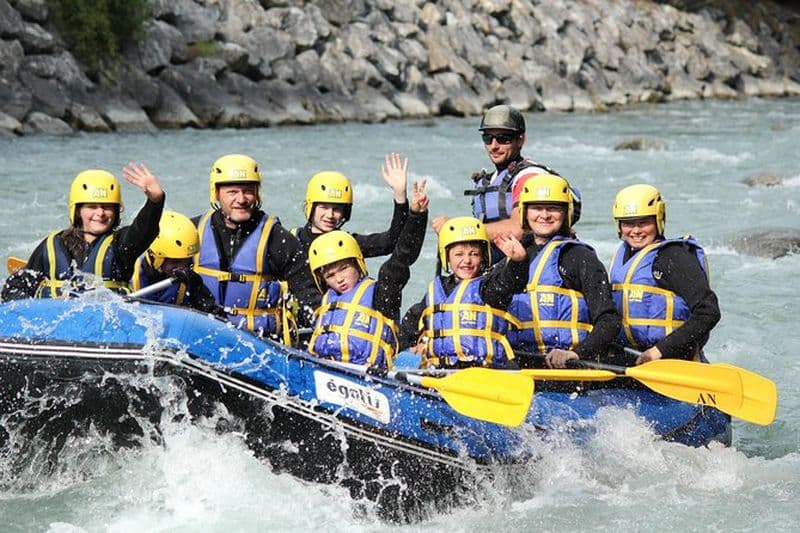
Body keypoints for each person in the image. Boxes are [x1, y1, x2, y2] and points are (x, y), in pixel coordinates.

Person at [193, 153, 320, 340]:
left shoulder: (278, 239)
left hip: (257, 342)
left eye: (248, 191)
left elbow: (308, 296)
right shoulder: (193, 231)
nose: (241, 199)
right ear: (216, 193)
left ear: (257, 193)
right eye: (232, 192)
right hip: (202, 333)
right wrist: (156, 202)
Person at [431, 104, 577, 263]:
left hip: (529, 263)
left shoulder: (528, 177)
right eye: (488, 138)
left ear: (520, 140)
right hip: (498, 266)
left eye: (503, 138)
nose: (494, 146)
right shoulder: (491, 179)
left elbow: (518, 229)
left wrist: (458, 229)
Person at [306, 180, 429, 369]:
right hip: (327, 367)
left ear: (358, 263)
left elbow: (401, 256)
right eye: (330, 276)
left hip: (368, 374)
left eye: (344, 269)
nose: (339, 279)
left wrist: (416, 216)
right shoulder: (325, 300)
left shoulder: (381, 294)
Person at [1, 164, 165, 301]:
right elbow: (16, 286)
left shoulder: (120, 246)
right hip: (54, 322)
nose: (100, 213)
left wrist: (155, 201)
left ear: (116, 212)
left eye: (107, 207)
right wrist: (39, 307)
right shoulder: (52, 245)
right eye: (92, 207)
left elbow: (144, 230)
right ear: (78, 210)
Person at [508, 174, 620, 369]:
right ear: (525, 212)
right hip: (520, 363)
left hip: (566, 366)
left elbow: (609, 320)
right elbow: (491, 298)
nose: (544, 215)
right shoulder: (513, 253)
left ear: (566, 212)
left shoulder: (580, 257)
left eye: (553, 208)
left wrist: (576, 353)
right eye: (537, 208)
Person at [610, 184, 720, 365]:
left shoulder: (674, 257)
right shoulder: (621, 258)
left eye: (643, 222)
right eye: (628, 223)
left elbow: (708, 311)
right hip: (632, 359)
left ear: (658, 220)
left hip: (673, 361)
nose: (635, 231)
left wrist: (658, 351)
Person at [399, 216, 529, 370]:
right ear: (447, 256)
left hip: (483, 370)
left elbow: (510, 282)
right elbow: (411, 323)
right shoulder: (436, 289)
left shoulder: (488, 286)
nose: (467, 260)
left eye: (474, 254)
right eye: (459, 254)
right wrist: (409, 346)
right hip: (441, 371)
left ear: (483, 257)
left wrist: (518, 262)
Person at [292, 152, 409, 257]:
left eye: (337, 209)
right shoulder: (292, 242)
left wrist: (400, 196)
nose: (330, 215)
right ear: (310, 207)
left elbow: (391, 242)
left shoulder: (348, 244)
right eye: (324, 207)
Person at [130, 210, 218, 313]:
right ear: (155, 257)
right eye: (175, 261)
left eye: (186, 260)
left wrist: (197, 288)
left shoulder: (188, 281)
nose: (182, 267)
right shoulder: (130, 275)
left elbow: (211, 311)